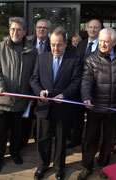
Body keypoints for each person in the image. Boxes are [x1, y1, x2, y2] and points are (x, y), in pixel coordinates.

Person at [30, 26, 82, 180]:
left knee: (60, 140)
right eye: (52, 44)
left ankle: (59, 168)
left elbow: (76, 81)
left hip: (62, 107)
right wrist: (39, 92)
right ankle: (42, 166)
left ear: (65, 43)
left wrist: (64, 94)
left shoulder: (74, 60)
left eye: (59, 44)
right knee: (43, 138)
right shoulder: (41, 57)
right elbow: (34, 79)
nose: (55, 48)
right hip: (44, 106)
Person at [77, 27, 116, 180]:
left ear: (114, 42)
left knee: (109, 139)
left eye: (107, 41)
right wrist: (86, 96)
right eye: (101, 41)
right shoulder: (91, 59)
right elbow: (86, 81)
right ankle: (87, 166)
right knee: (90, 139)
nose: (103, 45)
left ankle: (103, 165)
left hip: (114, 109)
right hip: (95, 108)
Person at [0, 17, 38, 173]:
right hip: (3, 99)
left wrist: (31, 94)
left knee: (18, 131)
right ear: (9, 30)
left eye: (18, 29)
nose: (15, 32)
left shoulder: (32, 51)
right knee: (1, 131)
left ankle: (15, 152)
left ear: (24, 32)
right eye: (12, 29)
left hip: (21, 100)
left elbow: (34, 75)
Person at [67, 19, 102, 149]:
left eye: (96, 28)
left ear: (100, 30)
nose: (92, 30)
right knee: (77, 116)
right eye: (90, 27)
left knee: (93, 119)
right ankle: (77, 138)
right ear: (87, 29)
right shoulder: (81, 44)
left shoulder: (103, 45)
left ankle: (89, 143)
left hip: (95, 88)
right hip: (78, 86)